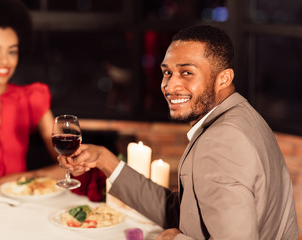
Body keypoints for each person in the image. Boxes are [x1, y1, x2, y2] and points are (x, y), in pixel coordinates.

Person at [59, 25, 299, 239]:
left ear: (223, 78)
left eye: (187, 72)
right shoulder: (244, 116)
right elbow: (181, 211)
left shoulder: (222, 142)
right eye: (167, 72)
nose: (169, 85)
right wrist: (104, 159)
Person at [0, 0, 105, 202]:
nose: (5, 61)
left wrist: (12, 180)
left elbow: (68, 166)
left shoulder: (31, 98)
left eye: (12, 51)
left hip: (20, 206)